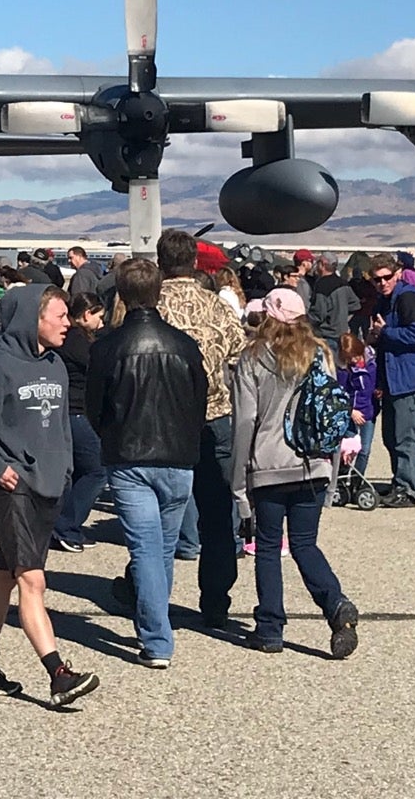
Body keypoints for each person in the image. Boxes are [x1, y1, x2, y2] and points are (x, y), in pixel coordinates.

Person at [0, 285, 97, 705]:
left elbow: (60, 428)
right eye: (61, 316)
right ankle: (58, 674)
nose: (68, 324)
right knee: (33, 581)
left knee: (4, 576)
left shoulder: (56, 367)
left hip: (48, 487)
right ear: (34, 319)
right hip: (13, 489)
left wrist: (65, 469)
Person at [86, 259, 208, 668]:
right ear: (157, 292)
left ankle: (157, 638)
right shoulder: (185, 346)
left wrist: (111, 437)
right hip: (177, 457)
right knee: (163, 549)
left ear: (121, 294)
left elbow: (94, 406)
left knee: (145, 550)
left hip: (129, 457)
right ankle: (156, 624)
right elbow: (198, 402)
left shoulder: (107, 347)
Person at [230, 285, 359, 659]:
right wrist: (331, 475)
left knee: (268, 548)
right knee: (305, 544)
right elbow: (330, 415)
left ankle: (270, 628)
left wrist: (239, 486)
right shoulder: (319, 353)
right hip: (313, 464)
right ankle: (335, 604)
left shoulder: (253, 357)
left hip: (269, 467)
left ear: (267, 316)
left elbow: (245, 423)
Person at [137, 228, 245, 630]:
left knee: (155, 516)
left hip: (161, 422)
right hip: (214, 415)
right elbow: (237, 349)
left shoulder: (151, 306)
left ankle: (148, 594)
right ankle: (215, 600)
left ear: (161, 263)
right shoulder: (217, 306)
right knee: (217, 519)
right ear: (195, 263)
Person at [365, 251, 415, 508]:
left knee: (407, 435)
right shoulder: (384, 301)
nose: (382, 283)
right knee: (391, 434)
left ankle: (408, 489)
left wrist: (386, 332)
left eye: (387, 277)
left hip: (411, 377)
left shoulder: (408, 298)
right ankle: (399, 482)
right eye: (377, 280)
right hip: (393, 376)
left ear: (398, 274)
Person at [48, 292, 107, 552]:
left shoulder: (74, 339)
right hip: (75, 411)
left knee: (73, 471)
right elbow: (96, 367)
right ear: (86, 315)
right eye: (99, 317)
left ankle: (62, 523)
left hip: (71, 410)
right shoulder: (76, 340)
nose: (102, 323)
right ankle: (65, 525)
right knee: (96, 470)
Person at [335, 332, 379, 496]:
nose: (354, 361)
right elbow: (339, 394)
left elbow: (375, 384)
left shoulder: (372, 364)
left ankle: (356, 482)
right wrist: (350, 411)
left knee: (364, 450)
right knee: (348, 449)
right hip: (351, 413)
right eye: (349, 358)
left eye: (355, 356)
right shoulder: (343, 371)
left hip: (369, 412)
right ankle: (340, 480)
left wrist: (378, 391)